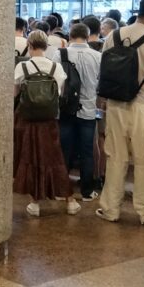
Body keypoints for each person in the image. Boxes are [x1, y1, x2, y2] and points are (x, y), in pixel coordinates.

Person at [96, 0, 144, 226]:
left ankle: (110, 209)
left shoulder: (113, 36)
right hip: (143, 106)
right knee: (142, 159)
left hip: (116, 105)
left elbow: (104, 70)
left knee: (115, 157)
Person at [13, 31, 78, 217]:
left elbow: (14, 94)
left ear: (30, 45)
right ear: (46, 46)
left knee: (30, 156)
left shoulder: (22, 67)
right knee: (54, 157)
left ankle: (35, 203)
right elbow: (59, 93)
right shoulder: (56, 68)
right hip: (49, 119)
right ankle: (70, 201)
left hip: (27, 119)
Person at [49, 23, 102, 200]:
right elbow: (99, 83)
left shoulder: (60, 54)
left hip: (65, 109)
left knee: (64, 149)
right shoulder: (97, 56)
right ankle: (87, 191)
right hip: (88, 110)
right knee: (87, 151)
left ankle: (61, 190)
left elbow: (54, 81)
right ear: (88, 36)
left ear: (70, 36)